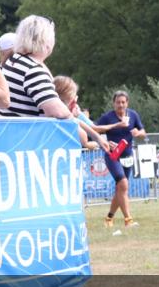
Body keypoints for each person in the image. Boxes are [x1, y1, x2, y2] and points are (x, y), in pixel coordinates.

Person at [95, 90, 147, 229]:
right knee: (123, 184)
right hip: (113, 155)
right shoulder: (107, 117)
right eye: (118, 102)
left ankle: (109, 218)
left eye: (123, 102)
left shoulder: (133, 114)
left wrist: (138, 133)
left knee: (121, 189)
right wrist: (106, 140)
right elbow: (95, 130)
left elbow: (143, 132)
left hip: (127, 155)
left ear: (127, 103)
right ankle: (128, 220)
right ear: (114, 103)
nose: (121, 105)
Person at [53, 75, 110, 151]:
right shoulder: (61, 113)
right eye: (74, 97)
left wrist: (98, 138)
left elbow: (77, 121)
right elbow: (83, 136)